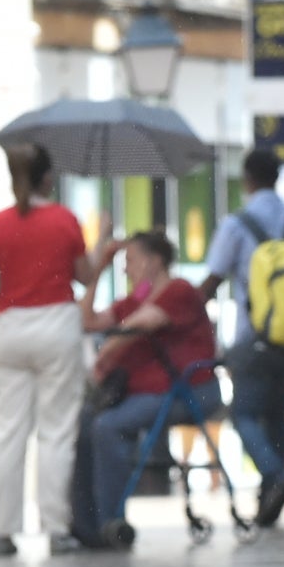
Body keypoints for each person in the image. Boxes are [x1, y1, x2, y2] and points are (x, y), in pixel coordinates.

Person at [0, 144, 117, 558]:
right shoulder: (64, 220)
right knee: (56, 431)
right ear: (47, 178)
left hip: (9, 329)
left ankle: (2, 532)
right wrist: (102, 242)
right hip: (56, 326)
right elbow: (84, 276)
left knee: (10, 432)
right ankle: (56, 529)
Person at [204, 147, 284, 528]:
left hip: (251, 340)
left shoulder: (236, 226)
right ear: (277, 177)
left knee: (242, 413)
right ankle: (268, 501)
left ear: (247, 179)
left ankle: (274, 478)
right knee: (276, 416)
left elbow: (212, 282)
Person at [72, 229, 219, 548]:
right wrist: (100, 268)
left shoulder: (179, 290)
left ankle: (109, 519)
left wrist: (106, 354)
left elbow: (142, 325)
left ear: (154, 262)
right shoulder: (135, 300)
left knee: (108, 426)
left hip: (186, 392)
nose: (126, 268)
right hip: (145, 394)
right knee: (84, 422)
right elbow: (86, 320)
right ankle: (87, 526)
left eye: (131, 260)